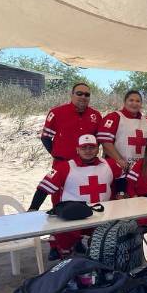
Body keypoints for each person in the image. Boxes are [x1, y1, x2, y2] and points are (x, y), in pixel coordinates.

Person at [28, 134, 122, 258]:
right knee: (67, 250)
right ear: (77, 149)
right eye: (84, 148)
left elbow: (122, 179)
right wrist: (33, 208)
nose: (88, 151)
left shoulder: (110, 164)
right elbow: (44, 188)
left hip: (103, 214)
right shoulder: (64, 167)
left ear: (98, 149)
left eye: (91, 147)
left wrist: (121, 193)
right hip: (73, 217)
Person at [40, 83, 102, 259]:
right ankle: (55, 243)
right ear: (72, 94)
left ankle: (75, 241)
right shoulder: (57, 112)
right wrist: (57, 154)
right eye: (79, 93)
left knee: (80, 203)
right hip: (63, 165)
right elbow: (45, 138)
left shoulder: (95, 115)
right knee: (58, 204)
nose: (83, 97)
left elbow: (98, 142)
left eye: (87, 95)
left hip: (84, 167)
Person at [96, 90, 147, 195]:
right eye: (131, 100)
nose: (134, 103)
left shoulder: (146, 121)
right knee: (117, 199)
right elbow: (106, 143)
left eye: (138, 101)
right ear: (125, 102)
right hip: (117, 168)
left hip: (139, 170)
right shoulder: (114, 117)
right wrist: (120, 161)